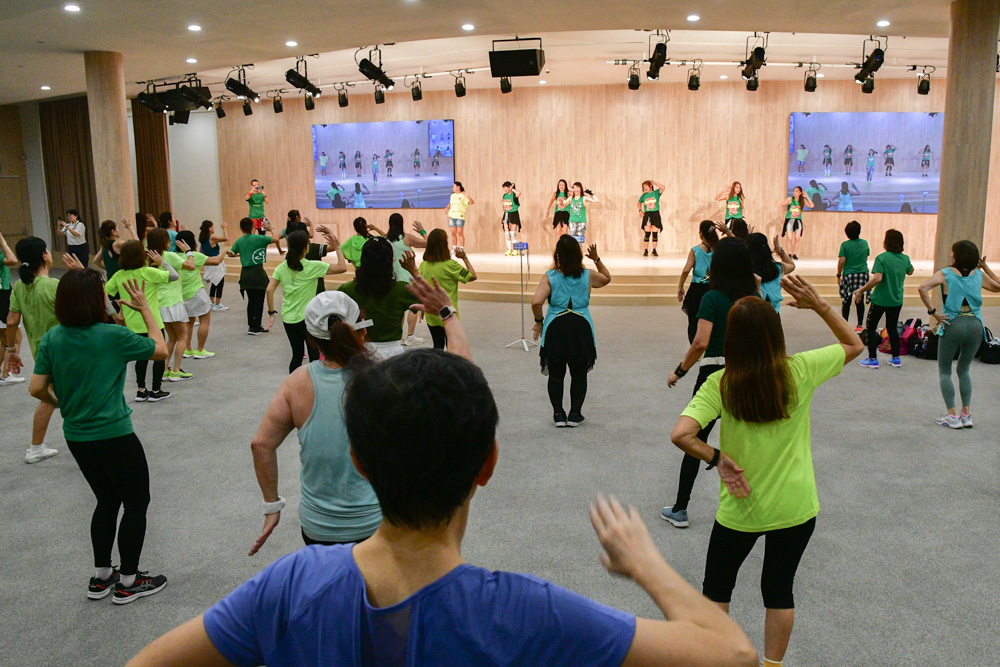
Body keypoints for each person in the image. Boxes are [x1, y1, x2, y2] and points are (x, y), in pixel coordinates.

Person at [130, 343, 757, 667]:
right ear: (488, 464)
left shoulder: (291, 585)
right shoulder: (525, 613)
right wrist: (646, 563)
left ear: (360, 462)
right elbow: (733, 654)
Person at [670, 277, 864, 666]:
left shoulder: (720, 384)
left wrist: (717, 458)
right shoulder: (801, 369)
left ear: (733, 339)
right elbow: (855, 344)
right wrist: (821, 306)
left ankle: (722, 660)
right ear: (776, 334)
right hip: (796, 506)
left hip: (742, 508)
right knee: (778, 591)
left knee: (717, 590)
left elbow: (681, 434)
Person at [31, 270, 170, 605]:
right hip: (115, 435)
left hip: (77, 436)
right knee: (136, 503)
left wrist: (59, 403)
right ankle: (129, 581)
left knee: (106, 500)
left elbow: (36, 388)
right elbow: (160, 349)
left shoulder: (52, 338)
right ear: (96, 300)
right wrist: (145, 310)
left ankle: (102, 575)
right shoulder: (112, 336)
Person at [249, 290, 380, 552]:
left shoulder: (296, 382)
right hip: (375, 523)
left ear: (312, 339)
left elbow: (261, 445)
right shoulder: (385, 378)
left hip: (319, 525)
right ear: (362, 331)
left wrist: (272, 506)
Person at [662, 237, 758, 528]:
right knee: (750, 438)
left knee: (695, 439)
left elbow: (700, 342)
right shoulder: (754, 298)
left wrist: (679, 371)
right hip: (748, 371)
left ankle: (681, 508)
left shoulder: (712, 298)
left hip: (715, 373)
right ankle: (754, 502)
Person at [918, 243, 1000, 429]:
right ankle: (966, 415)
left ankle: (952, 416)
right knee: (964, 370)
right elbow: (998, 286)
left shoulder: (945, 273)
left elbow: (922, 288)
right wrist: (985, 267)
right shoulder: (978, 275)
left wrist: (934, 312)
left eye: (952, 252)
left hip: (952, 324)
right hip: (975, 325)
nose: (950, 254)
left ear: (957, 256)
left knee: (945, 370)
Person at [532, 236, 611, 427]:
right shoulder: (588, 275)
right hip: (580, 328)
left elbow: (536, 302)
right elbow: (606, 278)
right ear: (578, 254)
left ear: (557, 255)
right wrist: (597, 259)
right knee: (579, 374)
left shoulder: (549, 276)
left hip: (556, 328)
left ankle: (559, 415)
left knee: (556, 374)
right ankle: (575, 414)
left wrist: (539, 321)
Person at [4, 237, 63, 461]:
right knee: (78, 396)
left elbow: (11, 321)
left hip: (41, 353)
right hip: (65, 353)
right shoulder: (54, 285)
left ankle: (36, 448)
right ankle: (91, 444)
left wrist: (11, 350)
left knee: (49, 399)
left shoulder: (19, 286)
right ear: (45, 256)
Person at [266, 229, 346, 374]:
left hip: (288, 318)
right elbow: (342, 267)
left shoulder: (281, 267)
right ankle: (313, 383)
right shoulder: (312, 266)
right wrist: (338, 247)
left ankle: (293, 383)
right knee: (314, 356)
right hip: (309, 319)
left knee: (296, 355)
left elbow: (269, 290)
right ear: (306, 247)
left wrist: (271, 313)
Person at [105, 240, 175, 402]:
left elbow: (104, 294)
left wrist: (114, 314)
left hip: (132, 323)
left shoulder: (119, 275)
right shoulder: (149, 272)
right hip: (153, 322)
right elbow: (174, 276)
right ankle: (156, 389)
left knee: (141, 357)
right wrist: (162, 262)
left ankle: (141, 390)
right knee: (159, 355)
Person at [337, 237, 418, 360]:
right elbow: (433, 300)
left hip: (359, 351)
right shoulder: (402, 289)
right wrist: (414, 271)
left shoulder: (346, 289)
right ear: (391, 260)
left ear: (362, 260)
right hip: (393, 354)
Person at [855, 229, 914, 369]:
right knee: (892, 328)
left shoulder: (882, 258)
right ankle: (896, 358)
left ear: (887, 242)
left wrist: (861, 290)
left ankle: (872, 358)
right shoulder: (905, 259)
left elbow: (877, 278)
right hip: (896, 300)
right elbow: (911, 271)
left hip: (880, 300)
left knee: (871, 327)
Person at [146, 229, 194, 382]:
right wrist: (189, 252)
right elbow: (191, 266)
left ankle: (165, 369)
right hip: (173, 301)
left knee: (172, 337)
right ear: (164, 241)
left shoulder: (148, 258)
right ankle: (176, 370)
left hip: (160, 303)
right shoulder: (169, 256)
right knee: (183, 337)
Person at [418, 229, 477, 350]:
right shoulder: (451, 265)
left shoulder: (423, 265)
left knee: (437, 345)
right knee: (452, 346)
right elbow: (472, 276)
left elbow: (423, 287)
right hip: (448, 313)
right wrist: (464, 257)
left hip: (431, 312)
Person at [175, 230, 225, 360]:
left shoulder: (173, 256)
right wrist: (224, 251)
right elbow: (216, 261)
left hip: (182, 294)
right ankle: (200, 349)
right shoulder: (194, 256)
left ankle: (187, 349)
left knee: (189, 321)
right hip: (196, 292)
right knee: (204, 319)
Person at [228, 217, 281, 335]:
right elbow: (276, 239)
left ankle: (251, 325)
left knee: (251, 300)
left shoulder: (239, 241)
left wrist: (239, 254)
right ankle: (256, 326)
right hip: (257, 272)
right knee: (259, 300)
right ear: (253, 227)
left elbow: (231, 253)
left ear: (241, 229)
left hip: (245, 274)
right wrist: (271, 229)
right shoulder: (259, 238)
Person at [385, 213, 428, 346]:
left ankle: (397, 337)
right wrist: (422, 231)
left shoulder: (385, 240)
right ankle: (410, 336)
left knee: (398, 309)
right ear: (402, 223)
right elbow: (428, 243)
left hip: (393, 279)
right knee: (413, 307)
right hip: (408, 278)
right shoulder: (407, 238)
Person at [677, 221, 721, 344]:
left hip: (697, 288)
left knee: (694, 319)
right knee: (714, 317)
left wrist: (680, 286)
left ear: (701, 233)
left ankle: (694, 345)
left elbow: (686, 270)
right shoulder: (719, 249)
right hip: (714, 287)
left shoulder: (695, 250)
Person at [749, 233, 795, 314]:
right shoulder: (777, 268)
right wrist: (780, 251)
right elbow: (791, 265)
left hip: (752, 313)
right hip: (774, 314)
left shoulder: (746, 271)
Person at [837, 221, 870, 332]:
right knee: (859, 300)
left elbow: (842, 261)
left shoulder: (845, 245)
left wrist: (838, 274)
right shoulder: (864, 243)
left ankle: (845, 325)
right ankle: (859, 325)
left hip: (848, 275)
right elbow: (866, 255)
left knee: (846, 300)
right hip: (862, 274)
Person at [0, 232, 23, 386]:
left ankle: (4, 373)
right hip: (2, 296)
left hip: (2, 295)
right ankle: (6, 373)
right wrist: (3, 243)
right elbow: (13, 260)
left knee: (3, 340)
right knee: (15, 337)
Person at [93, 216, 136, 281]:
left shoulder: (104, 246)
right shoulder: (117, 244)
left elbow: (96, 261)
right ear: (113, 231)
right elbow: (137, 245)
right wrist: (130, 227)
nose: (118, 230)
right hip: (121, 280)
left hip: (110, 280)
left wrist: (109, 268)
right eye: (117, 228)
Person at [199, 220, 229, 311]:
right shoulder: (212, 237)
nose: (213, 228)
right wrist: (225, 228)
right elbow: (226, 238)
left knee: (214, 283)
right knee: (219, 282)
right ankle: (217, 303)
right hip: (216, 262)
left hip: (209, 261)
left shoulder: (202, 238)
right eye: (212, 226)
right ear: (209, 228)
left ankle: (212, 302)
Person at [779, 187, 813, 260]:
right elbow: (780, 205)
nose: (794, 192)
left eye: (796, 191)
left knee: (797, 238)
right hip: (789, 220)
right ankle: (789, 253)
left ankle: (794, 253)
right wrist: (782, 218)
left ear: (800, 193)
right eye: (794, 191)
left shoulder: (802, 201)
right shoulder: (790, 199)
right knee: (789, 238)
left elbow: (812, 205)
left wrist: (807, 197)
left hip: (798, 220)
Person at [637, 179, 665, 257]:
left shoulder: (656, 193)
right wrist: (640, 210)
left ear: (650, 186)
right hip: (647, 215)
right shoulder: (644, 196)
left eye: (646, 186)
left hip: (655, 214)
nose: (645, 188)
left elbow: (663, 188)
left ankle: (654, 250)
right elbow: (639, 202)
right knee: (647, 234)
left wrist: (655, 183)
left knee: (655, 234)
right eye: (643, 187)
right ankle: (646, 250)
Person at [445, 181, 474, 249]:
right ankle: (454, 247)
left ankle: (461, 248)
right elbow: (451, 203)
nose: (453, 188)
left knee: (460, 232)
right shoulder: (452, 195)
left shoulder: (463, 195)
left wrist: (467, 196)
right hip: (452, 215)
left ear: (458, 187)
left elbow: (472, 203)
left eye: (454, 186)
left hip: (460, 215)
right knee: (453, 232)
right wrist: (447, 207)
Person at [501, 181, 523, 256]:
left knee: (513, 233)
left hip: (514, 214)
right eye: (504, 188)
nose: (505, 189)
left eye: (506, 187)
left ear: (509, 187)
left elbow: (519, 193)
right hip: (506, 214)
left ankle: (515, 250)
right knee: (507, 233)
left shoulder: (514, 194)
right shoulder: (505, 195)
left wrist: (512, 189)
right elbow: (504, 203)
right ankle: (509, 249)